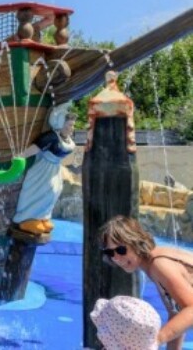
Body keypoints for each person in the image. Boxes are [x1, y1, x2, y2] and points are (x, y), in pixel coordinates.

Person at [99, 216, 193, 349]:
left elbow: (191, 308)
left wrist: (155, 340)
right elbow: (176, 314)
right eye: (110, 252)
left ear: (136, 242)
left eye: (121, 250)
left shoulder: (159, 265)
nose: (116, 258)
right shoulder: (154, 264)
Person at [12, 102, 76, 235]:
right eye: (69, 125)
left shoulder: (67, 139)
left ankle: (43, 216)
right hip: (43, 169)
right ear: (60, 123)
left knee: (54, 191)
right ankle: (27, 219)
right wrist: (20, 157)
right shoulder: (51, 137)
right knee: (41, 191)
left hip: (55, 169)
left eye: (72, 125)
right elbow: (35, 148)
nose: (72, 128)